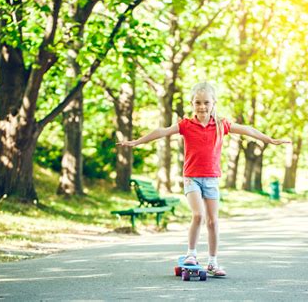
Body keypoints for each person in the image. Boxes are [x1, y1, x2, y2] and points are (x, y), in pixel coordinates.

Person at [117, 82, 290, 277]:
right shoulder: (186, 125)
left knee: (213, 221)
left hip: (212, 180)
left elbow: (247, 129)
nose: (202, 107)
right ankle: (191, 254)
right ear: (192, 103)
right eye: (198, 102)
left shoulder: (220, 125)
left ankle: (213, 262)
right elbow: (162, 131)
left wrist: (269, 139)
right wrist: (137, 142)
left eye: (206, 102)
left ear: (214, 103)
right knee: (198, 215)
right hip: (192, 178)